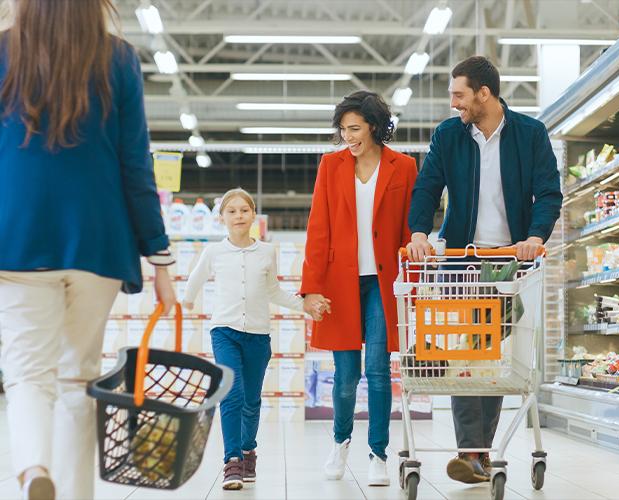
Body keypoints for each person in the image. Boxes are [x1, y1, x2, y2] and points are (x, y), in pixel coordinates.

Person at [0, 1, 177, 499]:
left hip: (15, 238)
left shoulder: (3, 52)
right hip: (98, 240)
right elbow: (135, 166)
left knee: (28, 373)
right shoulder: (117, 58)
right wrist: (159, 258)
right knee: (78, 377)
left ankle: (34, 468)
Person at [406, 55, 562, 484]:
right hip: (462, 258)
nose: (453, 103)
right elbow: (427, 186)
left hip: (510, 260)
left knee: (490, 351)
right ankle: (472, 451)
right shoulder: (449, 135)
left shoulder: (530, 134)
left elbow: (549, 192)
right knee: (463, 349)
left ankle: (476, 452)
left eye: (459, 94)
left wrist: (535, 236)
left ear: (484, 93)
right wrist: (419, 232)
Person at [301, 91, 417, 486]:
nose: (348, 137)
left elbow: (409, 226)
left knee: (379, 370)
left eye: (355, 128)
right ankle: (340, 441)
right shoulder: (330, 166)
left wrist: (411, 283)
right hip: (339, 282)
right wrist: (311, 289)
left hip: (385, 283)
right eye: (343, 130)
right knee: (346, 374)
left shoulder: (403, 166)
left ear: (373, 125)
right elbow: (318, 229)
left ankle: (378, 454)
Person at [183, 188, 322, 490]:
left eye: (244, 210)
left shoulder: (266, 252)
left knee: (251, 400)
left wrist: (304, 304)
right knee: (232, 393)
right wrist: (186, 301)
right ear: (222, 218)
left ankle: (248, 452)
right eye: (231, 211)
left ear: (253, 216)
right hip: (224, 332)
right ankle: (232, 461)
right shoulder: (214, 252)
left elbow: (273, 290)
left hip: (258, 335)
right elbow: (194, 279)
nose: (238, 216)